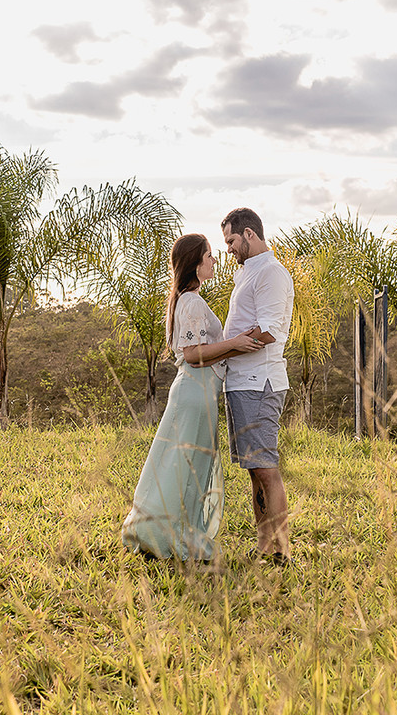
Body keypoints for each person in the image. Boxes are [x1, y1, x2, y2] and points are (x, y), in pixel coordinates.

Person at [121, 234, 265, 562]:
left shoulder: (186, 299)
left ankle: (166, 527)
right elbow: (192, 353)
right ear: (195, 263)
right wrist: (236, 343)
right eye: (210, 256)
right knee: (183, 465)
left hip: (199, 391)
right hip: (194, 393)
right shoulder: (191, 301)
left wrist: (234, 344)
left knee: (185, 465)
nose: (215, 261)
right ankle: (162, 532)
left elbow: (200, 354)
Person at [219, 208, 295, 565]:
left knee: (265, 467)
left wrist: (227, 345)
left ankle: (281, 549)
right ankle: (264, 544)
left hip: (259, 383)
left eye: (231, 241)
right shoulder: (248, 274)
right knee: (253, 468)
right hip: (240, 382)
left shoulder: (271, 273)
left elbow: (268, 331)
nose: (229, 249)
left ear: (249, 234)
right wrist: (234, 343)